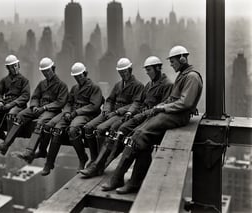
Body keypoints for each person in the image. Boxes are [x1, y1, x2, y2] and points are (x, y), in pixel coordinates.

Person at [101, 45, 203, 194]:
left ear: (182, 59)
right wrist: (161, 105)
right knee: (138, 137)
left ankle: (118, 178)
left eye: (173, 61)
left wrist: (162, 108)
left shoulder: (192, 77)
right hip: (171, 113)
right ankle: (133, 182)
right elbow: (173, 99)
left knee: (137, 136)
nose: (171, 64)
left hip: (177, 116)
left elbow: (185, 103)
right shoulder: (183, 75)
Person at [80, 56, 172, 178]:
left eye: (149, 70)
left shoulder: (167, 85)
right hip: (139, 116)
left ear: (158, 68)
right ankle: (98, 165)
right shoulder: (149, 84)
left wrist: (132, 113)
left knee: (127, 137)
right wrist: (127, 112)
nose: (147, 73)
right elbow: (137, 102)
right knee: (116, 131)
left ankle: (105, 168)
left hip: (151, 119)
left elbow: (159, 107)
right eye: (146, 70)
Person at [81, 58, 144, 176]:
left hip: (120, 115)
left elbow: (136, 103)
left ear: (130, 70)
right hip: (110, 112)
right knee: (88, 127)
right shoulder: (118, 85)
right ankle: (94, 159)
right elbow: (110, 100)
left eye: (124, 72)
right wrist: (106, 109)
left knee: (100, 129)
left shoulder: (138, 86)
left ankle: (99, 164)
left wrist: (120, 111)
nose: (122, 74)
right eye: (120, 72)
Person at [0, 57, 68, 158]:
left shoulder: (62, 85)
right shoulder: (42, 84)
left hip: (52, 111)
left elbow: (60, 102)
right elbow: (35, 97)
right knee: (20, 116)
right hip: (38, 108)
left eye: (47, 71)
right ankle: (5, 144)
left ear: (53, 69)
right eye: (43, 71)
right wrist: (34, 106)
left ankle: (29, 151)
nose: (46, 73)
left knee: (40, 123)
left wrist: (45, 108)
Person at [40, 62, 103, 176]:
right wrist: (68, 112)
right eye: (76, 76)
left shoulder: (94, 88)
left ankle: (82, 158)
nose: (78, 78)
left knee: (73, 130)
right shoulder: (74, 88)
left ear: (85, 74)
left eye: (80, 76)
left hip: (86, 114)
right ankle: (49, 163)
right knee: (57, 129)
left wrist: (75, 113)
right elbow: (69, 102)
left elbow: (94, 106)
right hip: (73, 113)